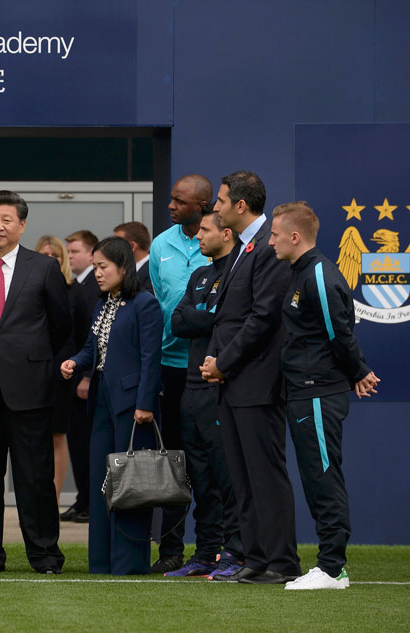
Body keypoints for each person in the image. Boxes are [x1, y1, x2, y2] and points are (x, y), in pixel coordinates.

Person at [0, 190, 71, 574]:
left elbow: (61, 326)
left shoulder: (43, 268)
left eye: (6, 219)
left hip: (31, 388)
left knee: (35, 477)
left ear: (22, 225)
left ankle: (44, 554)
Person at [269, 201, 379, 590]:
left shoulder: (317, 275)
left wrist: (359, 371)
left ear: (295, 237)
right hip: (303, 393)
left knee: (323, 478)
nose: (270, 242)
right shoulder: (300, 272)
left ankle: (332, 568)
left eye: (276, 235)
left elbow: (339, 333)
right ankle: (332, 566)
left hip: (317, 395)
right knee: (317, 478)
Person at [200, 170, 301, 584]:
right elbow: (231, 317)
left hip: (256, 382)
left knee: (265, 475)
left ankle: (281, 562)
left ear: (240, 206)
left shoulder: (266, 248)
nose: (215, 207)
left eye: (220, 201)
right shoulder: (243, 248)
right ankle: (255, 558)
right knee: (242, 478)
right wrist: (216, 360)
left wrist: (223, 361)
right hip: (233, 382)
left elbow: (263, 318)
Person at [60, 236, 163, 575]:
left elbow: (151, 358)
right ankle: (102, 561)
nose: (98, 273)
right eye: (97, 266)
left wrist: (145, 404)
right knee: (102, 479)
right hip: (103, 401)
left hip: (133, 406)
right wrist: (75, 363)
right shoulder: (103, 304)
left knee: (131, 484)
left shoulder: (144, 303)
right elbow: (93, 347)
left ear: (123, 267)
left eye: (103, 267)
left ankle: (130, 563)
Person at [168, 205, 243, 578]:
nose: (197, 237)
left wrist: (206, 315)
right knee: (199, 478)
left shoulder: (239, 273)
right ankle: (206, 552)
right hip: (191, 389)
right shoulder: (199, 274)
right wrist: (207, 315)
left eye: (205, 231)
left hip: (221, 389)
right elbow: (178, 322)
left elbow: (226, 320)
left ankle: (235, 552)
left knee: (225, 476)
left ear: (226, 233)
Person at [147, 174, 212, 573]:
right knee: (172, 463)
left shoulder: (222, 242)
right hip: (169, 368)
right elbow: (156, 303)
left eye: (179, 201)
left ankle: (211, 548)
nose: (171, 206)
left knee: (207, 463)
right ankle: (170, 549)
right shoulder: (160, 245)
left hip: (208, 369)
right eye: (171, 199)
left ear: (202, 207)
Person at [60, 229, 100, 524]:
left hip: (85, 376)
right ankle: (83, 498)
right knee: (76, 440)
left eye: (75, 251)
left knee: (85, 441)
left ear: (91, 253)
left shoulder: (92, 287)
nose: (69, 256)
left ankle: (89, 500)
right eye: (68, 251)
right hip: (73, 374)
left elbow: (92, 335)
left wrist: (85, 374)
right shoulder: (76, 285)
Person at [34, 235, 74, 503]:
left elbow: (74, 334)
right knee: (34, 437)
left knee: (57, 437)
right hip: (31, 373)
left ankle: (54, 498)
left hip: (61, 374)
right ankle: (36, 499)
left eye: (55, 256)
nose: (49, 260)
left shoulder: (73, 290)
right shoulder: (28, 288)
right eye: (44, 255)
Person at [113, 221, 153, 293]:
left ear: (132, 246)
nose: (113, 247)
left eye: (118, 243)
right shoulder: (122, 270)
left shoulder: (153, 271)